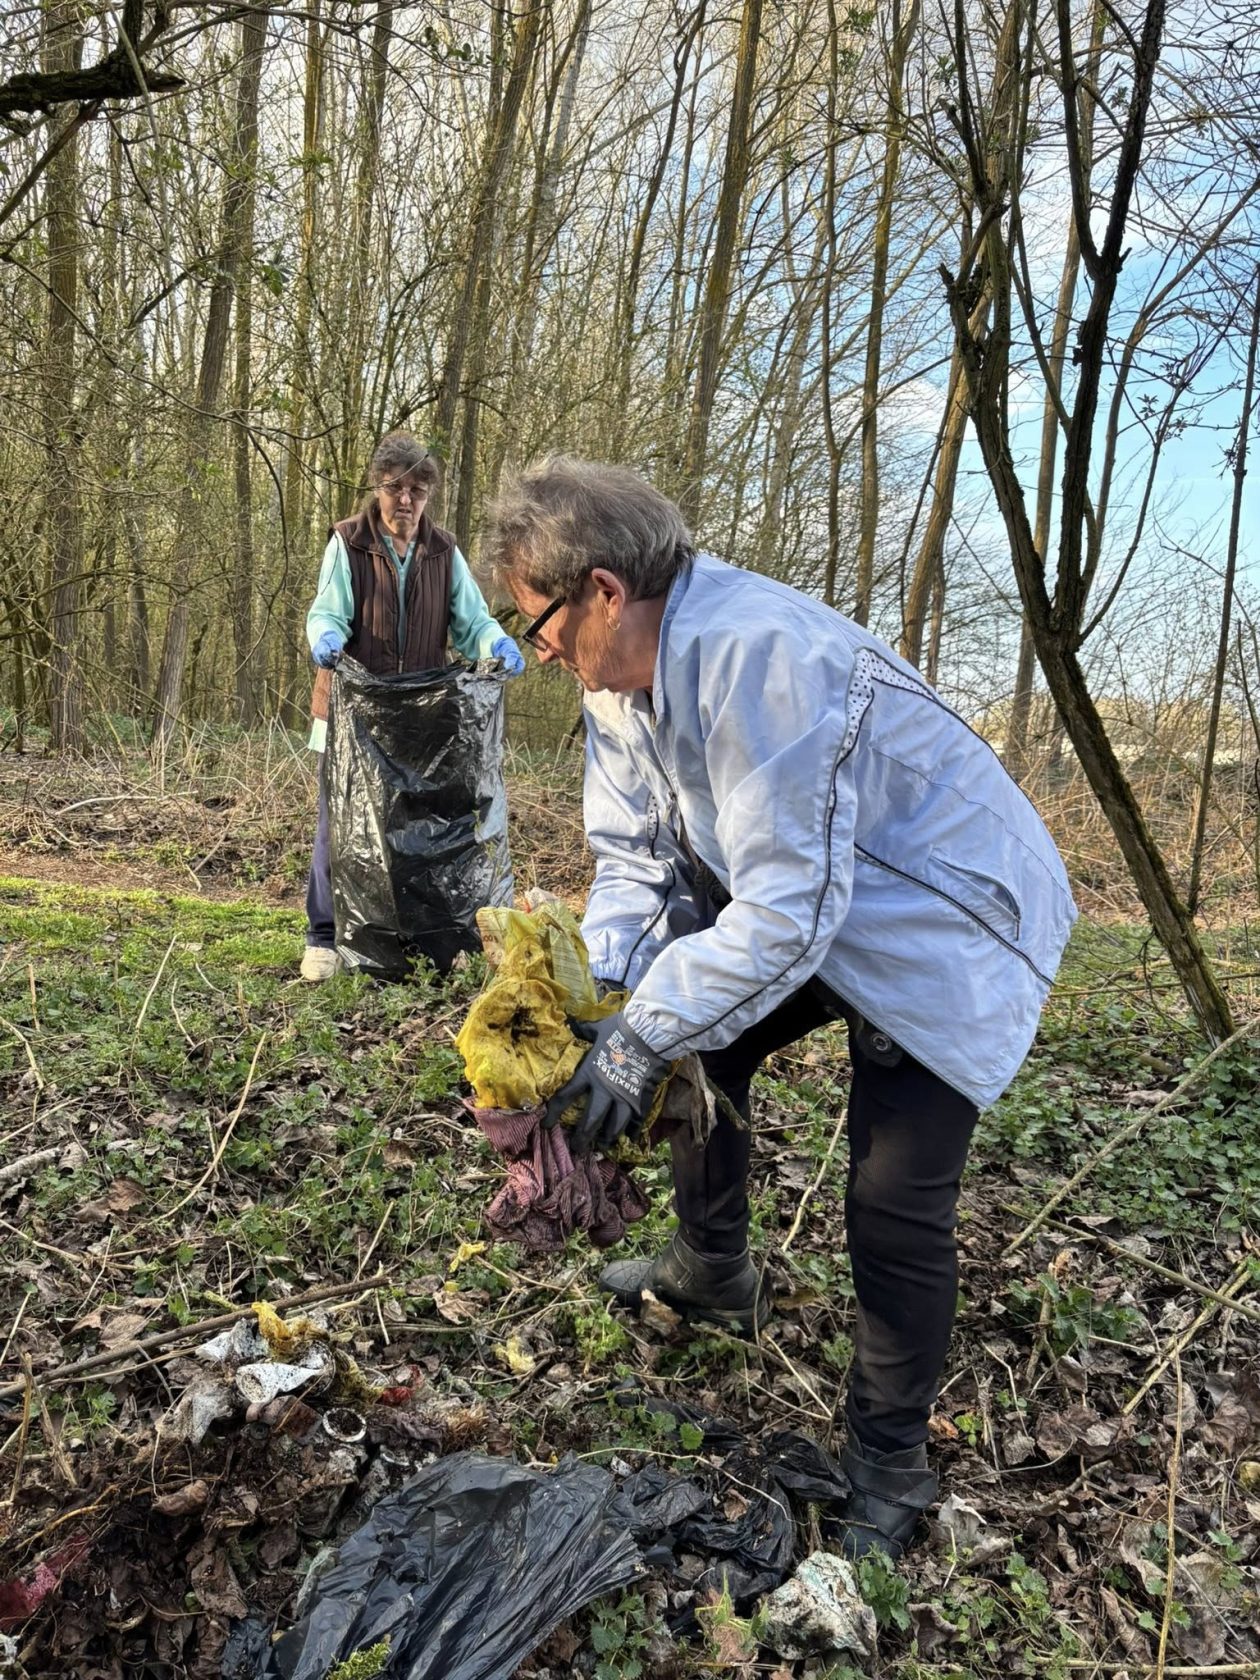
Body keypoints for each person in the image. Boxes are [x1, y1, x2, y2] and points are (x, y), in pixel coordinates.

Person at [484, 456, 1076, 1558]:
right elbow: (634, 867)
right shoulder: (620, 690)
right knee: (695, 1054)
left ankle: (888, 1463)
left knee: (893, 1196)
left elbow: (793, 914)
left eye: (544, 623)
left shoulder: (762, 660)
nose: (544, 650)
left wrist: (650, 1026)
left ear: (605, 590)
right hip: (813, 900)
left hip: (944, 916)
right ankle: (713, 1274)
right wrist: (602, 1009)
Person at [301, 432, 524, 980]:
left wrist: (494, 644)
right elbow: (328, 611)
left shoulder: (444, 551)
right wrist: (325, 637)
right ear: (378, 487)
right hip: (352, 714)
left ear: (430, 496)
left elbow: (471, 620)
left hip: (421, 723)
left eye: (417, 491)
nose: (406, 500)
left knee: (411, 835)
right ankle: (325, 937)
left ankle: (403, 940)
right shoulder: (348, 543)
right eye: (395, 487)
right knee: (342, 827)